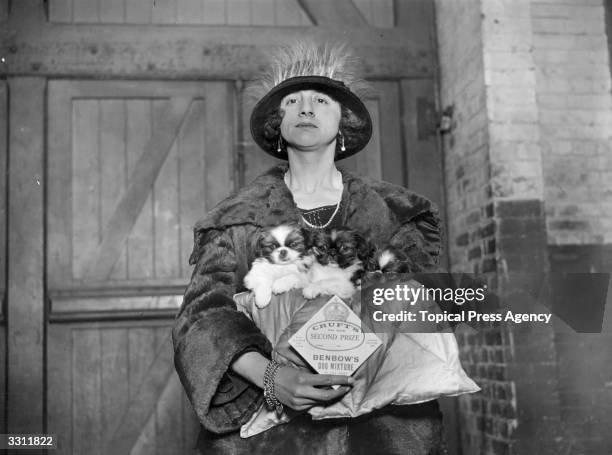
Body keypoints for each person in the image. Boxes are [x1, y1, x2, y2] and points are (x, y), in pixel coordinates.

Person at [173, 41, 446, 454]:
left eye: (321, 100)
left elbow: (419, 312)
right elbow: (201, 320)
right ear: (277, 126)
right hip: (272, 437)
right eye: (292, 101)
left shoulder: (392, 213)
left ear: (344, 122)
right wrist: (271, 378)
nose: (305, 108)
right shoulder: (238, 217)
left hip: (380, 431)